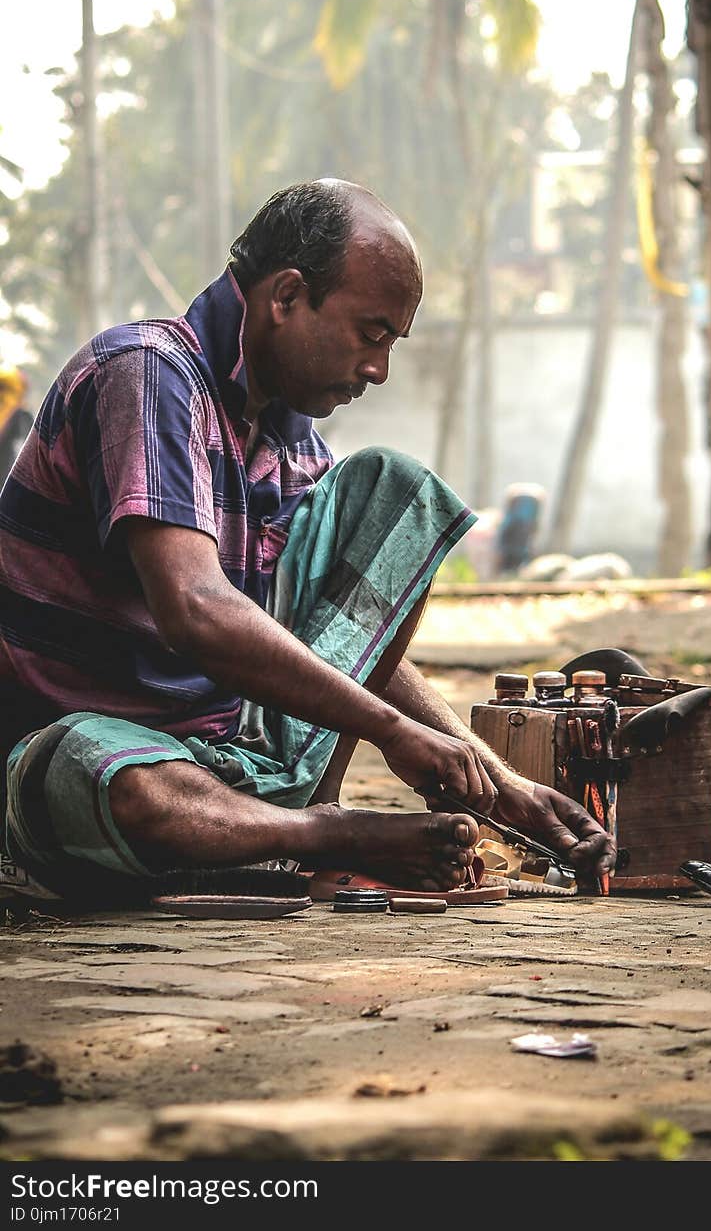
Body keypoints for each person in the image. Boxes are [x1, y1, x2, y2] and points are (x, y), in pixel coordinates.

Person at [0, 180, 615, 904]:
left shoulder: (296, 445)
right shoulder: (145, 375)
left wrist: (501, 787)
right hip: (79, 755)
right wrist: (391, 734)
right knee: (103, 777)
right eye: (372, 333)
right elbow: (194, 607)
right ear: (286, 297)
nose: (379, 368)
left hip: (226, 762)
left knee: (393, 487)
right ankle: (323, 834)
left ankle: (272, 832)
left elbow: (355, 645)